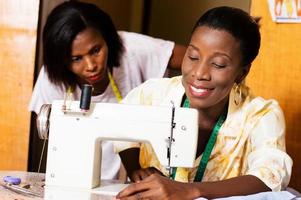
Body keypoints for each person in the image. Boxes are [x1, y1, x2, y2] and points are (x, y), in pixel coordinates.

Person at [115, 6, 293, 199]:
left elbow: (270, 177)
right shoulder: (152, 94)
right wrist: (135, 168)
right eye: (192, 57)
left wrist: (189, 190)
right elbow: (119, 129)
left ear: (242, 73)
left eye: (218, 64)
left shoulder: (260, 115)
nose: (199, 73)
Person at [28, 1, 186, 180]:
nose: (91, 66)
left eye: (96, 50)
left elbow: (194, 59)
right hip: (75, 175)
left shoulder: (133, 49)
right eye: (76, 58)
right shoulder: (52, 77)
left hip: (132, 172)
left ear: (107, 38)